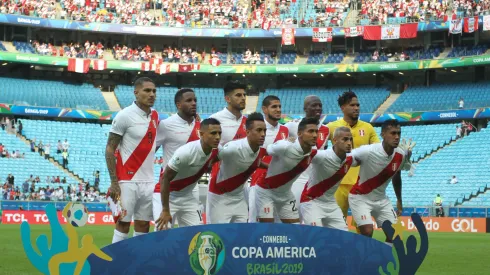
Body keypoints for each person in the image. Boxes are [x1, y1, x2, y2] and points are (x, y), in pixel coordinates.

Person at [106, 77, 158, 243]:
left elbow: (151, 145)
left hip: (149, 181)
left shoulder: (155, 116)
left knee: (143, 225)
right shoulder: (124, 116)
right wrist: (114, 182)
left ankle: (139, 264)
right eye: (147, 90)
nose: (151, 94)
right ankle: (115, 264)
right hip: (127, 181)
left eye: (154, 91)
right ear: (136, 92)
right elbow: (109, 149)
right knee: (123, 224)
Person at [348, 119, 415, 245]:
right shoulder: (368, 151)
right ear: (383, 134)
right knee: (367, 231)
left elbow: (397, 176)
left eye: (399, 133)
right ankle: (360, 259)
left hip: (381, 199)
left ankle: (382, 259)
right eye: (393, 133)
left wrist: (399, 200)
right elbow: (347, 159)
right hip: (360, 197)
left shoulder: (400, 154)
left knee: (396, 234)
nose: (397, 137)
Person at [327, 90, 380, 233]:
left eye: (358, 105)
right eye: (352, 105)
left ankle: (363, 255)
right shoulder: (331, 127)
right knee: (336, 225)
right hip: (338, 184)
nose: (356, 108)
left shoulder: (367, 128)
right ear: (343, 107)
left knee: (364, 228)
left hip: (361, 184)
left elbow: (379, 150)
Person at [155, 118, 222, 230]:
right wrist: (165, 210)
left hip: (188, 197)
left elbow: (217, 157)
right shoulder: (186, 152)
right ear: (201, 134)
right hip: (167, 196)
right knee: (162, 234)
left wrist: (209, 164)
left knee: (196, 235)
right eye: (213, 133)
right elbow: (165, 178)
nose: (218, 137)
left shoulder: (217, 150)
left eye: (219, 133)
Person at [153, 88, 201, 230]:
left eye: (195, 100)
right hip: (169, 189)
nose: (193, 103)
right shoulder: (166, 125)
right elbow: (150, 152)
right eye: (188, 100)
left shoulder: (202, 126)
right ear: (178, 104)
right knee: (161, 236)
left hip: (191, 190)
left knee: (195, 236)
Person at [256, 117, 319, 224]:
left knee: (294, 229)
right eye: (310, 131)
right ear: (299, 133)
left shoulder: (314, 151)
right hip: (265, 191)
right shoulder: (284, 146)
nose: (314, 135)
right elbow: (266, 150)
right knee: (267, 229)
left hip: (286, 194)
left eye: (316, 132)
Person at [207, 113, 268, 224]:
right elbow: (211, 160)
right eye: (259, 130)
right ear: (248, 132)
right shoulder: (232, 148)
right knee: (219, 237)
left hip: (239, 198)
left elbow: (256, 162)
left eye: (264, 130)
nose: (263, 134)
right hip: (220, 197)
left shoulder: (260, 151)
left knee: (240, 236)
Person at [300, 127, 355, 231]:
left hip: (331, 204)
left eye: (350, 139)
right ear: (334, 140)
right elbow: (303, 153)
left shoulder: (351, 159)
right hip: (311, 202)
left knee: (344, 237)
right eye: (345, 139)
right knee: (316, 237)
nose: (349, 143)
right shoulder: (322, 156)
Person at [285, 96, 330, 220]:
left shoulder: (326, 130)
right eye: (314, 105)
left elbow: (323, 153)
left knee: (313, 219)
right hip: (297, 179)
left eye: (320, 105)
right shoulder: (292, 126)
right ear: (305, 108)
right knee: (295, 217)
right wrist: (289, 142)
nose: (318, 108)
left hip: (315, 180)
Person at [248, 95, 289, 223]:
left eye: (279, 107)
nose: (278, 110)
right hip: (258, 183)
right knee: (255, 223)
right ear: (264, 109)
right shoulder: (255, 130)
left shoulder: (285, 130)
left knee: (277, 225)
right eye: (274, 107)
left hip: (279, 186)